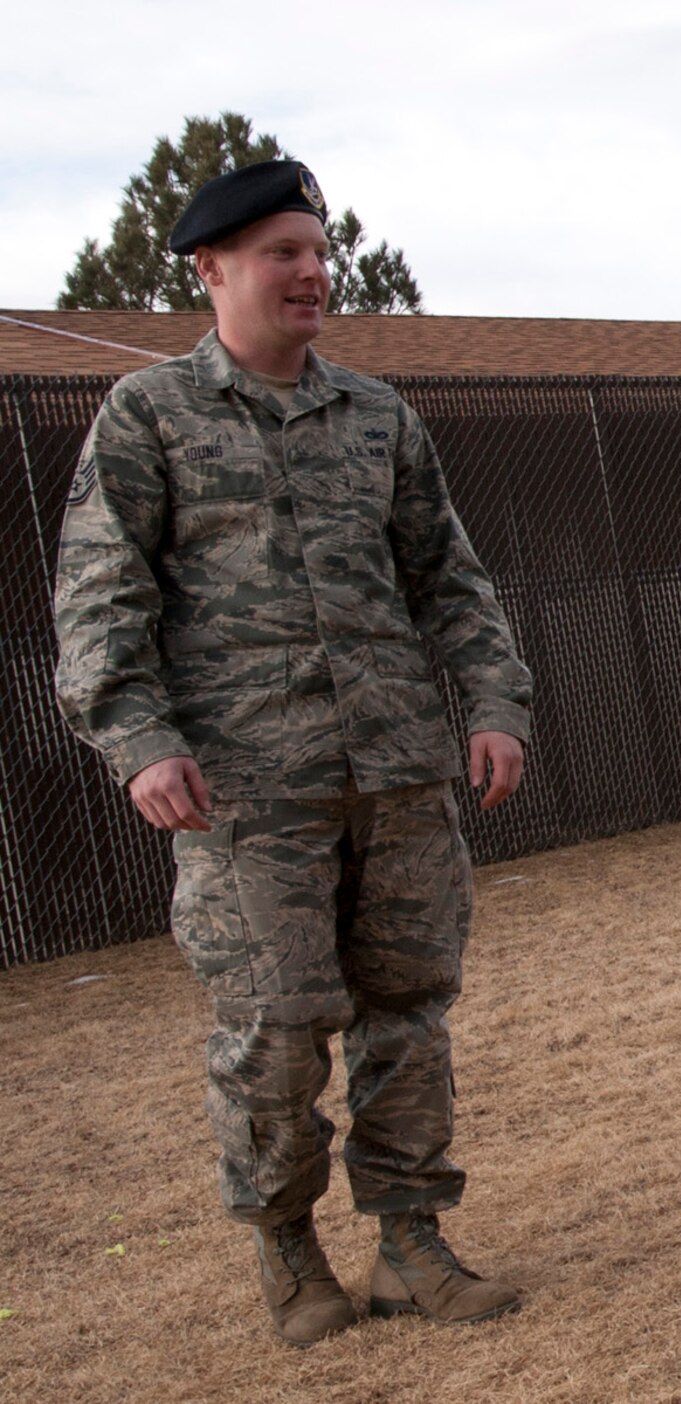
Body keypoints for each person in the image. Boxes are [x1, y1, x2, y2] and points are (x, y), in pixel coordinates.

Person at [52, 159, 535, 1343]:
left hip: (397, 776)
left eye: (319, 250)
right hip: (245, 793)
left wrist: (492, 702)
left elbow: (448, 579)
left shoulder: (377, 416)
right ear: (211, 270)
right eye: (282, 251)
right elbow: (99, 594)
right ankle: (287, 1253)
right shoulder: (151, 416)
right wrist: (141, 740)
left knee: (408, 1014)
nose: (313, 271)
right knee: (274, 1029)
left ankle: (412, 1246)